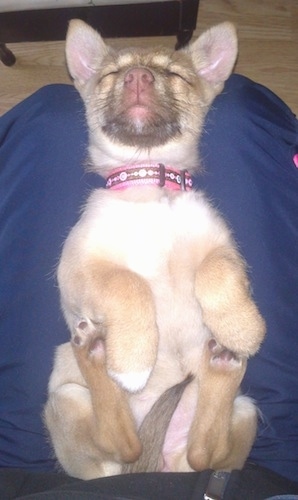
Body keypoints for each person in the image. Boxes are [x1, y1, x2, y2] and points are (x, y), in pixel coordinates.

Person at [0, 74, 297, 499]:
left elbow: (78, 274)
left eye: (168, 74)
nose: (138, 78)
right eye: (114, 75)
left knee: (49, 115)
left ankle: (107, 404)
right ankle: (209, 402)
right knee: (240, 106)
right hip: (241, 478)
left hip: (39, 479)